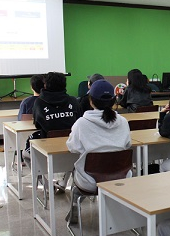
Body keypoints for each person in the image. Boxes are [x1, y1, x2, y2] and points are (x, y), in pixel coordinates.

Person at [66, 80, 131, 223]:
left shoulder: (81, 123)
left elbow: (72, 147)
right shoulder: (123, 122)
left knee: (75, 170)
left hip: (90, 181)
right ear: (114, 100)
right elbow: (127, 145)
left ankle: (75, 205)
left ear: (91, 101)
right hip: (120, 178)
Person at [23, 72, 83, 191]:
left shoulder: (39, 102)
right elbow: (79, 121)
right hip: (72, 147)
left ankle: (46, 184)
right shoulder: (73, 101)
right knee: (72, 155)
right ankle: (63, 182)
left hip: (47, 149)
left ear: (45, 86)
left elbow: (37, 124)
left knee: (25, 153)